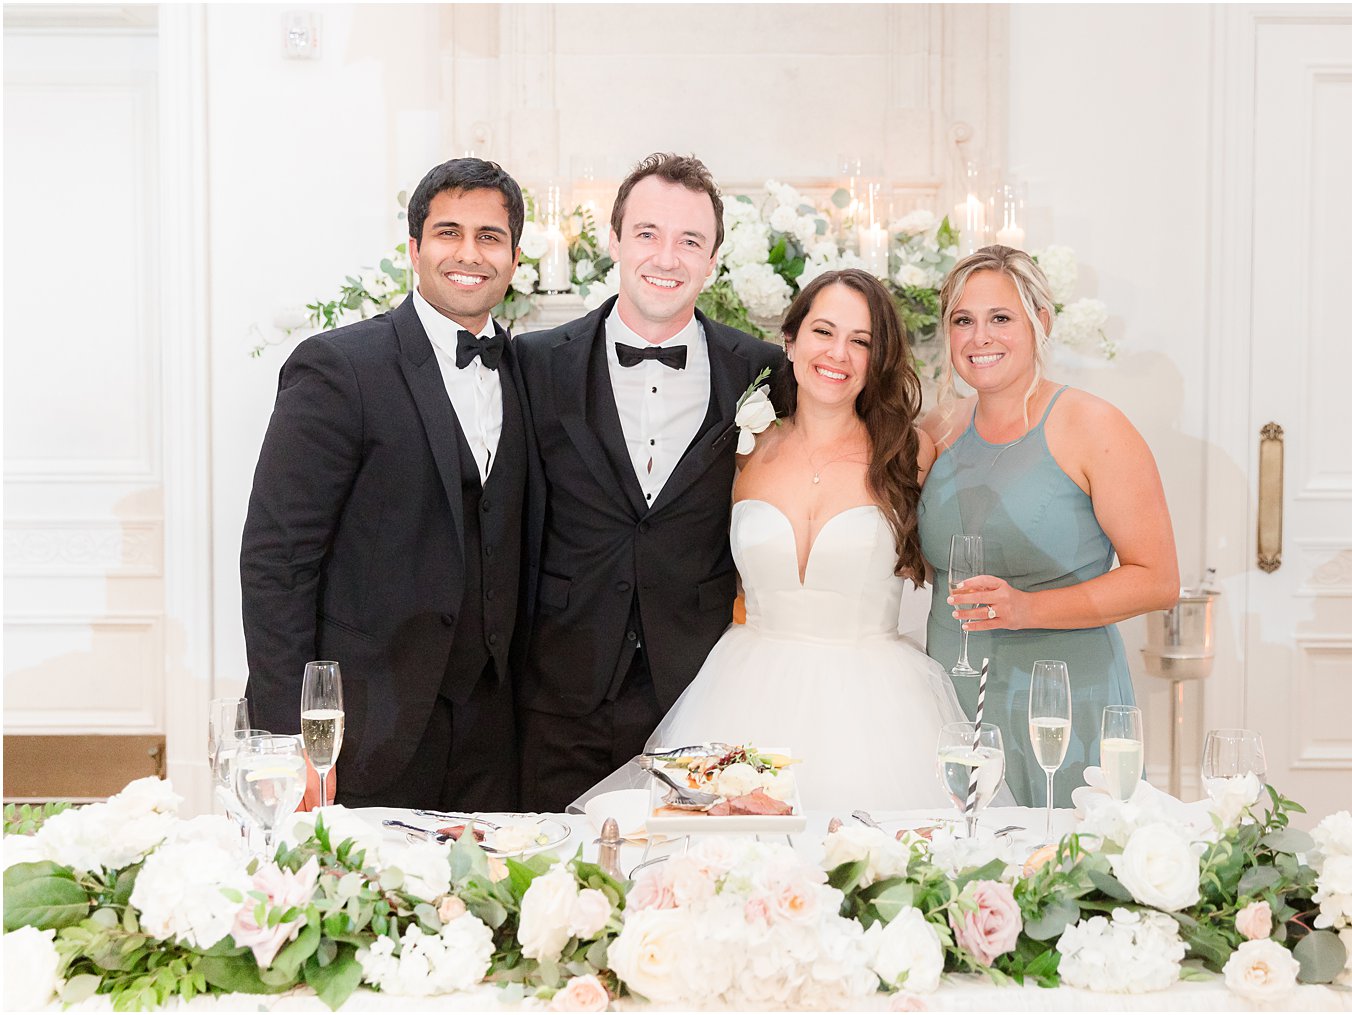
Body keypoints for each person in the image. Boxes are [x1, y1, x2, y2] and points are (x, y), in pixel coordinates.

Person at [578, 268, 975, 814]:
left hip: (877, 704)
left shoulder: (911, 453)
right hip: (744, 686)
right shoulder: (744, 448)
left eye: (861, 341)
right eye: (824, 332)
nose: (838, 354)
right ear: (790, 341)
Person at [241, 157, 538, 812]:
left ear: (514, 258)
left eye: (490, 236)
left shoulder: (529, 372)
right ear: (414, 248)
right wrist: (296, 744)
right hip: (366, 734)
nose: (469, 253)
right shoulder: (339, 367)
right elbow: (277, 564)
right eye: (448, 232)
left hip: (496, 739)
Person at [514, 153, 784, 813]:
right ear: (614, 241)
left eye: (690, 240)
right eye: (648, 234)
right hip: (558, 691)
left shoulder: (763, 368)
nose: (667, 257)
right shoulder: (533, 363)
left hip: (696, 690)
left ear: (713, 259)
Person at [919, 245, 1180, 809]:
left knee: (1058, 878)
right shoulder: (938, 428)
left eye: (1000, 318)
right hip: (952, 692)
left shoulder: (1094, 426)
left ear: (1042, 322)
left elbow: (1157, 579)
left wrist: (1027, 609)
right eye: (962, 320)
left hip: (1061, 697)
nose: (978, 337)